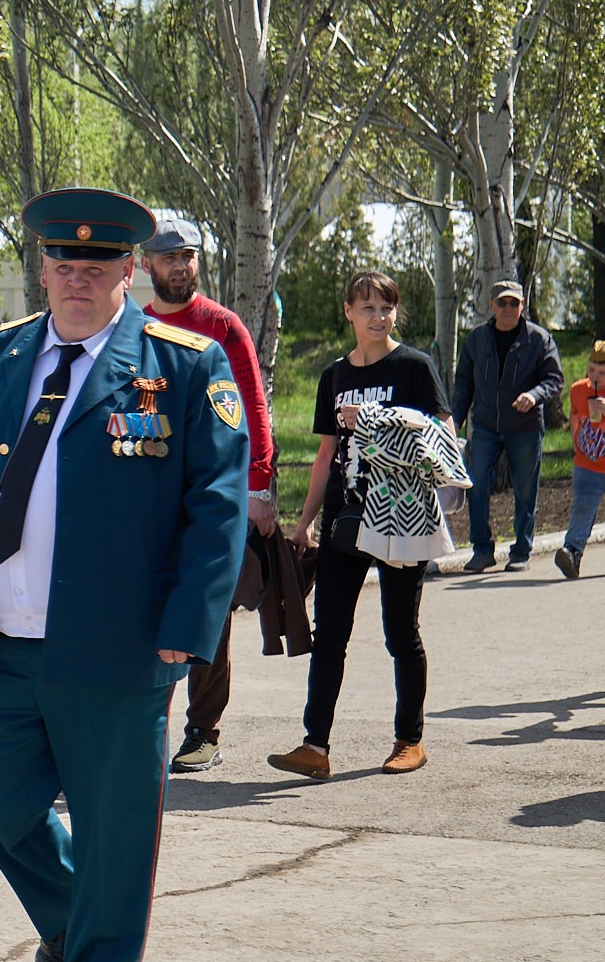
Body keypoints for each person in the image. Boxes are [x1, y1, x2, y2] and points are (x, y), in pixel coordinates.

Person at [0, 190, 248, 962]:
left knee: (117, 819)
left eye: (97, 267)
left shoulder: (184, 364)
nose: (77, 281)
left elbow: (217, 509)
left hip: (120, 640)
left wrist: (191, 623)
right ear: (43, 269)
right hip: (7, 636)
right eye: (63, 265)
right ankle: (70, 916)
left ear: (128, 272)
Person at [272, 271, 450, 781]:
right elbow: (325, 453)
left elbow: (443, 430)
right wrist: (305, 522)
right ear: (348, 312)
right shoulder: (334, 376)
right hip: (345, 518)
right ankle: (315, 745)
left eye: (386, 307)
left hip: (403, 517)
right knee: (329, 633)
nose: (378, 316)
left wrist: (380, 421)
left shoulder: (414, 366)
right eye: (367, 307)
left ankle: (409, 739)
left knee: (400, 632)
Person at [137, 217, 277, 775]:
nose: (180, 265)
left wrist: (260, 487)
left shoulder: (223, 326)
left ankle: (203, 731)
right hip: (152, 496)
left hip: (214, 493)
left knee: (208, 614)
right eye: (169, 257)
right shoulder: (133, 327)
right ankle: (143, 728)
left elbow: (253, 405)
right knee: (147, 611)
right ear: (146, 264)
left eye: (188, 256)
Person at [453, 279, 563, 571]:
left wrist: (534, 395)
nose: (508, 308)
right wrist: (452, 421)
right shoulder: (476, 339)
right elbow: (463, 383)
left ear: (522, 305)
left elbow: (554, 380)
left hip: (525, 427)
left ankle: (521, 552)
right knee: (474, 483)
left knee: (526, 491)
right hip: (486, 425)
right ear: (491, 305)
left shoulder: (538, 339)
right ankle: (481, 549)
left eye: (514, 302)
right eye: (502, 302)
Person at [556, 341, 605, 579]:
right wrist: (579, 447)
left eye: (602, 373)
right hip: (587, 463)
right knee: (582, 507)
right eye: (592, 369)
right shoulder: (578, 390)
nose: (595, 376)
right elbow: (575, 419)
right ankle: (572, 552)